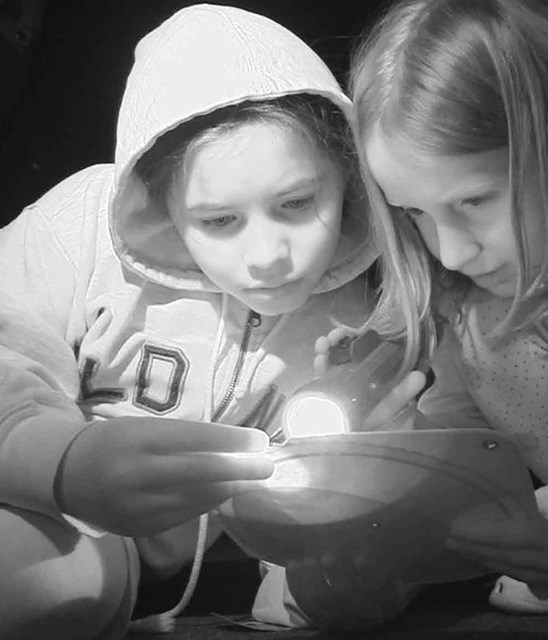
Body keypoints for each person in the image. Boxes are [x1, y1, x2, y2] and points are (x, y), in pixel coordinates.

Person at [0, 5, 431, 638]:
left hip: (243, 559)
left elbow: (352, 550)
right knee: (39, 587)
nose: (267, 257)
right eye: (218, 221)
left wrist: (343, 550)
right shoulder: (76, 232)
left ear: (345, 173)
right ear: (161, 202)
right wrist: (60, 463)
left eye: (296, 203)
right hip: (48, 516)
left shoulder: (376, 302)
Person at [347, 0, 548, 616]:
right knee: (487, 322)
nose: (449, 252)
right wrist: (399, 455)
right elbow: (462, 429)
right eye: (414, 213)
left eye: (474, 199)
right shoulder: (480, 291)